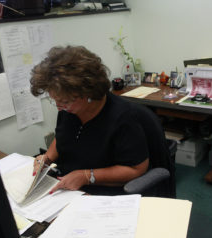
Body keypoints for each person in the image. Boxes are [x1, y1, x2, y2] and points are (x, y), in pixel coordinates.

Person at [30, 45, 167, 195]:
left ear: (88, 92)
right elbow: (62, 138)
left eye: (65, 101)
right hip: (67, 188)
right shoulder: (68, 111)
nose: (59, 107)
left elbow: (136, 169)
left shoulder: (124, 117)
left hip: (105, 192)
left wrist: (86, 176)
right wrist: (46, 159)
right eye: (55, 100)